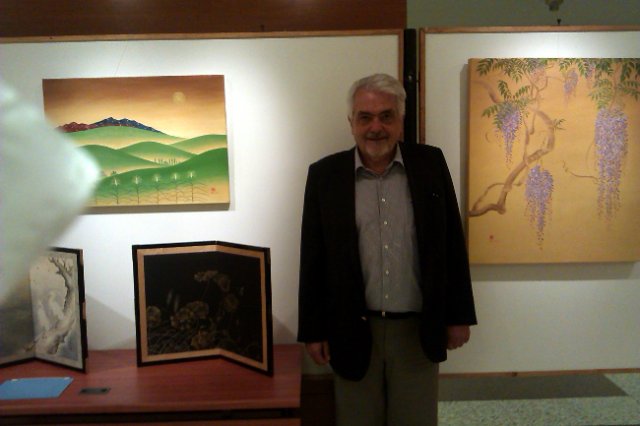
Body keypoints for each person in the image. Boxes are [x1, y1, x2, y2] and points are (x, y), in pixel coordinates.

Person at [297, 73, 477, 426]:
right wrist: (313, 330)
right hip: (351, 328)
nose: (375, 127)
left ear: (400, 120)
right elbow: (313, 257)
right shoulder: (325, 176)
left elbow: (451, 242)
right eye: (365, 117)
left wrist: (459, 315)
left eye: (386, 116)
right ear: (351, 122)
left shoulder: (430, 165)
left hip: (416, 331)